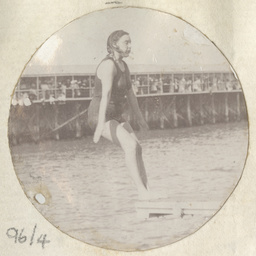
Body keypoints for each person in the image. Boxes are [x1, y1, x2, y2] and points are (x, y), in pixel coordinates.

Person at [88, 30, 150, 199]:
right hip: (99, 115)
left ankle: (146, 191)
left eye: (130, 42)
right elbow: (106, 95)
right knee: (130, 146)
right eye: (126, 43)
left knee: (138, 148)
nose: (130, 46)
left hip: (116, 115)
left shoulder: (124, 66)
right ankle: (141, 191)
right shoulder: (109, 65)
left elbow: (131, 95)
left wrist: (140, 119)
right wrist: (100, 125)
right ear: (114, 45)